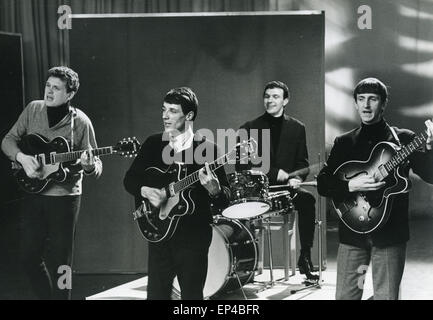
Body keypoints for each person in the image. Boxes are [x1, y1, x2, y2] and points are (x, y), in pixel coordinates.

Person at [317, 77, 433, 300]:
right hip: (352, 233)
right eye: (361, 99)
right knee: (345, 297)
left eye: (373, 99)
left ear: (383, 103)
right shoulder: (344, 142)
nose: (366, 105)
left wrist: (429, 148)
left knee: (386, 297)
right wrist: (350, 184)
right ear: (356, 103)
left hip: (390, 234)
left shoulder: (404, 139)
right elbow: (323, 183)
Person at [1, 66, 102, 299]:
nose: (49, 91)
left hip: (64, 199)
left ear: (70, 94)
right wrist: (22, 158)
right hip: (34, 193)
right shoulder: (33, 109)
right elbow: (8, 140)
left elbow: (96, 166)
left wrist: (88, 165)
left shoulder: (81, 123)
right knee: (28, 257)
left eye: (56, 88)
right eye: (48, 85)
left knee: (61, 264)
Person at [123, 87, 230, 300]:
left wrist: (215, 191)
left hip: (193, 235)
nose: (165, 115)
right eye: (164, 109)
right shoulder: (154, 144)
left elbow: (225, 198)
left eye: (172, 111)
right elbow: (130, 180)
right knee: (156, 296)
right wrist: (145, 190)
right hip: (158, 231)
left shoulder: (208, 149)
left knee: (191, 298)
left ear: (189, 115)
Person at [237, 80, 319, 280]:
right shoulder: (249, 128)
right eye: (267, 96)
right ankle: (247, 263)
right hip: (257, 191)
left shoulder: (297, 127)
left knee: (308, 200)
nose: (270, 100)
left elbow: (302, 161)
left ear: (285, 101)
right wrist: (274, 173)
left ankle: (305, 257)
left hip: (286, 191)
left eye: (275, 96)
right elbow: (242, 165)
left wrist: (297, 178)